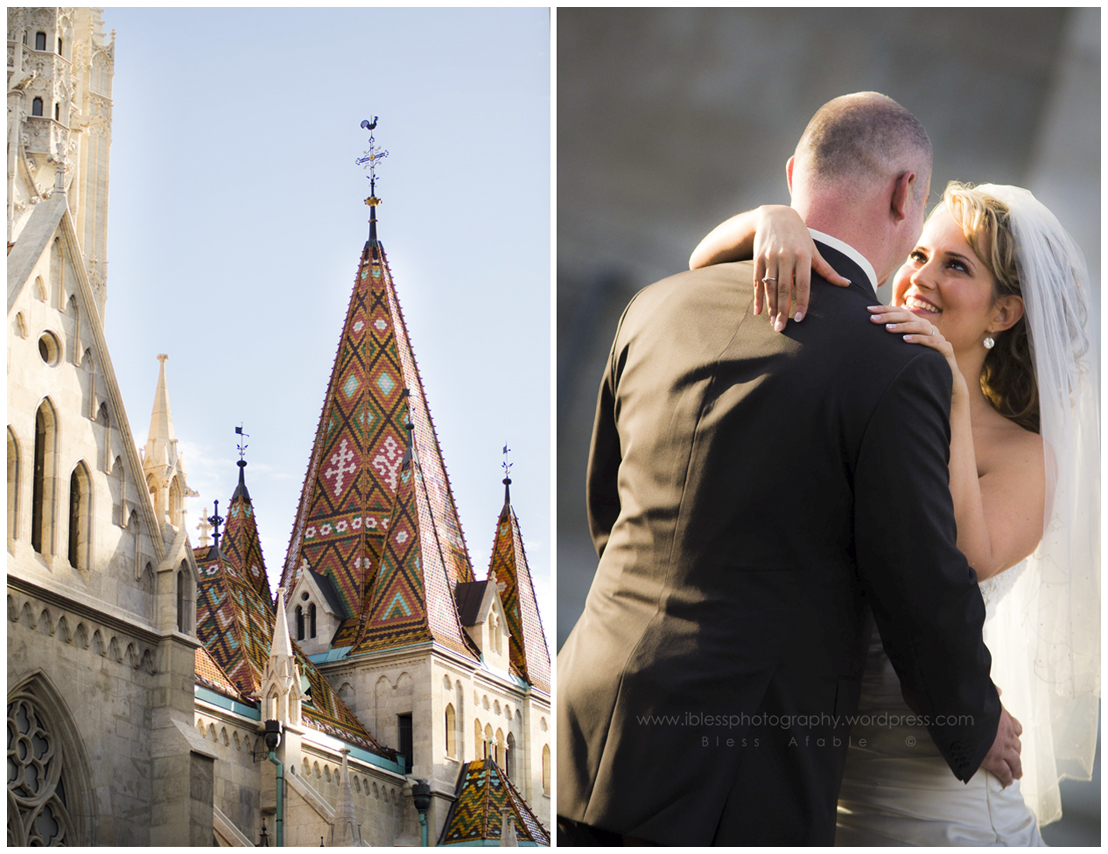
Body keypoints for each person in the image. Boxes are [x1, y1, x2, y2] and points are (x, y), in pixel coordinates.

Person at [556, 92, 1024, 847]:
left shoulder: (651, 307)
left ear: (791, 175)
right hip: (735, 772)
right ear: (906, 193)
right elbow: (918, 582)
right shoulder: (895, 368)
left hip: (585, 721)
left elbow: (608, 516)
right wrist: (972, 721)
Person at [687, 181, 1099, 844]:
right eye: (918, 256)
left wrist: (957, 405)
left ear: (1005, 314)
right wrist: (767, 223)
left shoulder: (1028, 455)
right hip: (820, 776)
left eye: (956, 267)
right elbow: (696, 278)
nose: (920, 279)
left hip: (936, 792)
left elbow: (961, 562)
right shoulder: (867, 381)